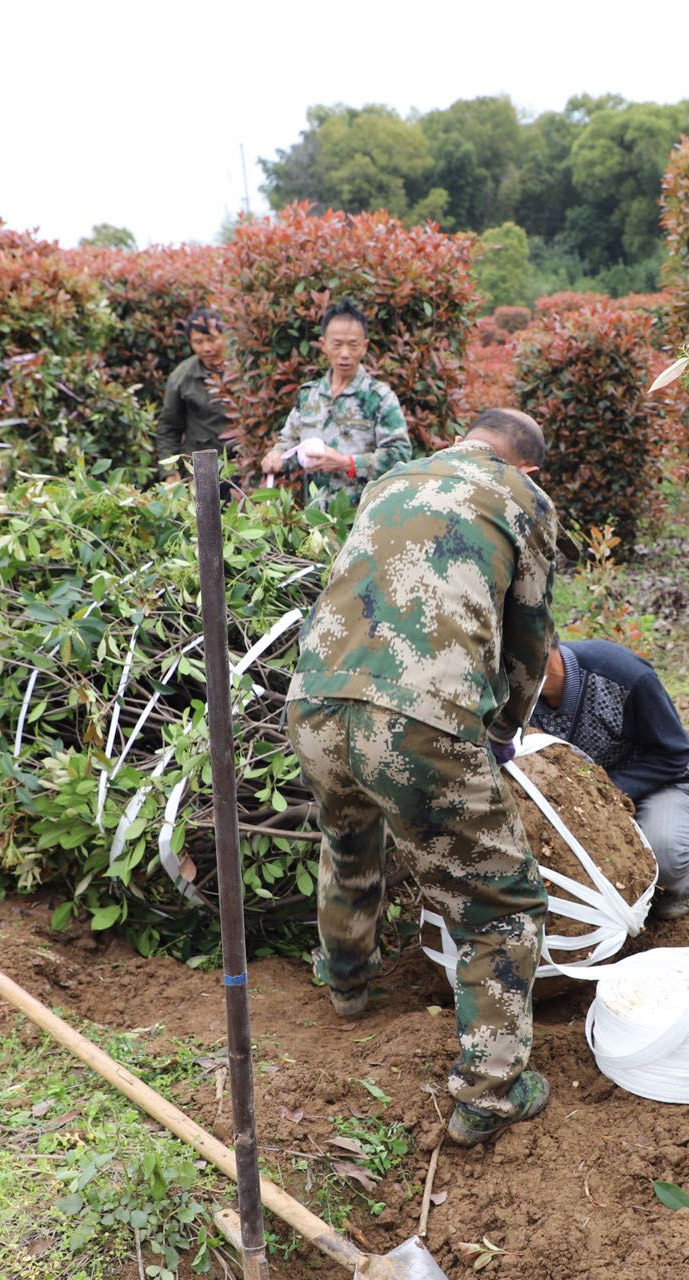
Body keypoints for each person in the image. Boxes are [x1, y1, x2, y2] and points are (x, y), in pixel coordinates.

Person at [285, 407, 555, 1148]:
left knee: (348, 840)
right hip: (415, 719)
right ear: (525, 467)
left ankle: (345, 983)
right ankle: (492, 1092)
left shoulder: (394, 477)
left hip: (314, 703)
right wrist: (502, 730)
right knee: (501, 903)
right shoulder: (523, 498)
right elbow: (529, 638)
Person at [530, 640, 689, 921]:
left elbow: (676, 753)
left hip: (659, 784)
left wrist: (605, 793)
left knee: (666, 856)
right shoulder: (511, 697)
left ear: (543, 650)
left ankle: (677, 890)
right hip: (575, 800)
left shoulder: (622, 675)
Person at [260, 300, 412, 505]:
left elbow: (400, 456)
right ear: (324, 345)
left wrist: (347, 464)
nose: (345, 354)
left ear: (364, 347)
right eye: (337, 344)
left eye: (353, 345)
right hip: (315, 520)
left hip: (361, 517)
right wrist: (276, 457)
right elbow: (290, 443)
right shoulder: (309, 395)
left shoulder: (379, 398)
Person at [154, 306, 241, 483]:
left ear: (225, 337)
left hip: (242, 463)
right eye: (198, 342)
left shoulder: (243, 369)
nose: (206, 348)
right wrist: (169, 472)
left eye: (212, 339)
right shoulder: (182, 377)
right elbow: (169, 427)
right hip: (202, 468)